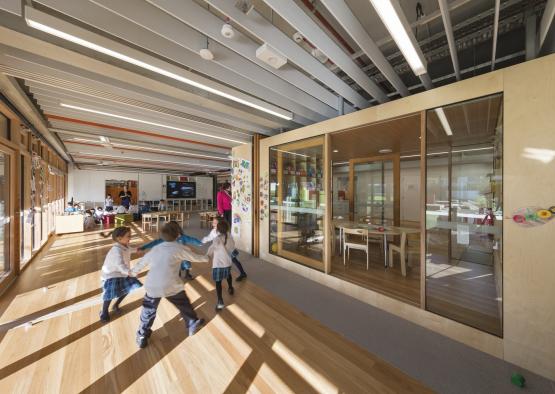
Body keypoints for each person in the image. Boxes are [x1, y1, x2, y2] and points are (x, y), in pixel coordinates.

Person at [131, 223, 208, 348]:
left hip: (152, 285)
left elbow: (142, 262)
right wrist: (208, 257)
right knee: (183, 304)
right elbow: (195, 258)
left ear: (161, 235)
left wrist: (133, 272)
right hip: (171, 285)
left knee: (148, 311)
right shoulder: (179, 248)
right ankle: (192, 323)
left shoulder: (156, 249)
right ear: (178, 235)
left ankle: (142, 335)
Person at [99, 226, 143, 322]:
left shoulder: (125, 246)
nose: (130, 238)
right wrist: (130, 272)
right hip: (111, 274)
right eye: (128, 236)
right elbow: (120, 265)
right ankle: (104, 311)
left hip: (122, 273)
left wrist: (137, 250)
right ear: (119, 238)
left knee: (130, 287)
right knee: (109, 293)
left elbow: (130, 249)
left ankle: (116, 305)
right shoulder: (116, 250)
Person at [203, 217, 247, 281]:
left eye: (215, 223)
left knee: (234, 261)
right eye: (213, 222)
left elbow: (231, 241)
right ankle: (240, 273)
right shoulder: (214, 232)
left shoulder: (226, 232)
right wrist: (202, 241)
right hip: (223, 251)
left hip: (228, 250)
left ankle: (242, 273)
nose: (213, 224)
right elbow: (209, 238)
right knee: (229, 262)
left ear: (220, 224)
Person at [207, 219, 235, 311]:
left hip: (218, 264)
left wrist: (207, 256)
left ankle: (220, 301)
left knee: (218, 282)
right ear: (227, 228)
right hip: (227, 263)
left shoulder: (217, 239)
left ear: (217, 230)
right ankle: (230, 288)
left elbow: (211, 249)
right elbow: (232, 248)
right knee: (228, 275)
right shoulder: (230, 237)